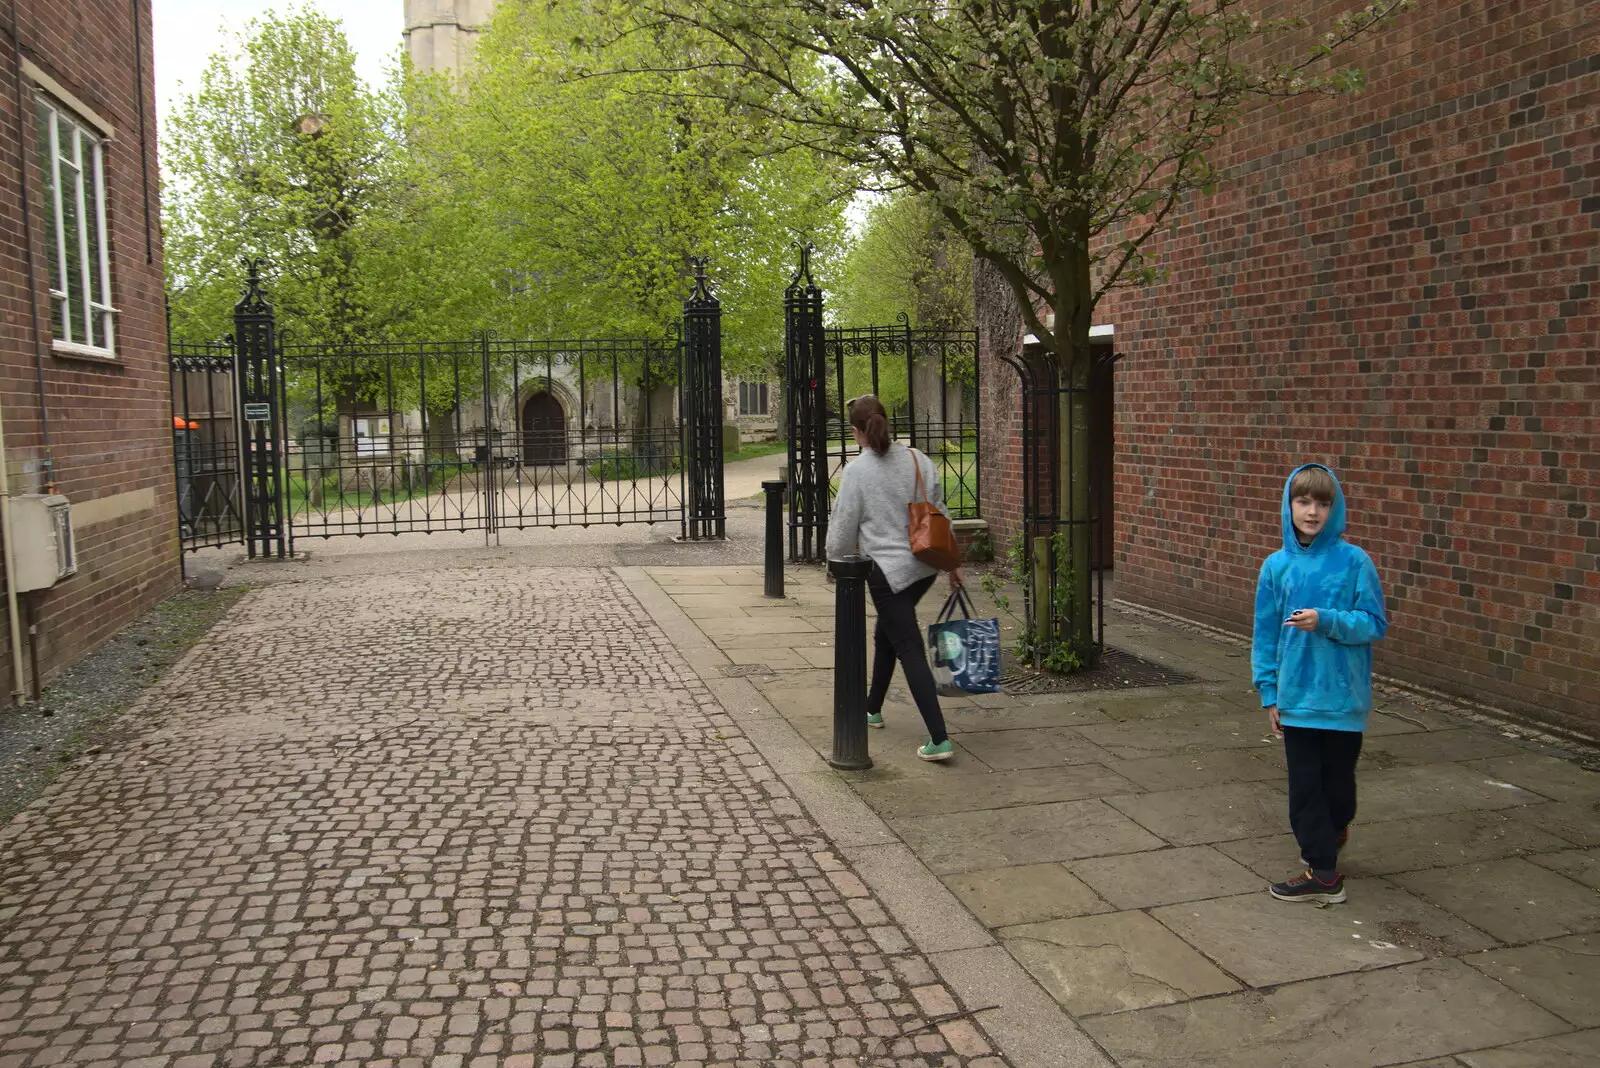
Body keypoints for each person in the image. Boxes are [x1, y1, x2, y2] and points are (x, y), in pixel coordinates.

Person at [1252, 463, 1388, 904]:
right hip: (1297, 697)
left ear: (1336, 508)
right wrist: (1269, 693)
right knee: (1305, 788)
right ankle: (1324, 873)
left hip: (1343, 698)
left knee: (1338, 786)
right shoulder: (1276, 566)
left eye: (1322, 503)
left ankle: (1335, 828)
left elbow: (1373, 623)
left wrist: (1325, 620)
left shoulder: (1355, 562)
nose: (1312, 511)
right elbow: (1265, 634)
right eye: (1303, 501)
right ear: (1289, 505)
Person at [826, 395, 964, 762]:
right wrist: (953, 563)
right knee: (886, 634)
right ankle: (871, 708)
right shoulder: (919, 460)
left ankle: (939, 738)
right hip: (924, 567)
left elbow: (843, 525)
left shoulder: (858, 470)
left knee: (908, 647)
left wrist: (834, 562)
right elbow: (940, 512)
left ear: (856, 431)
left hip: (886, 572)